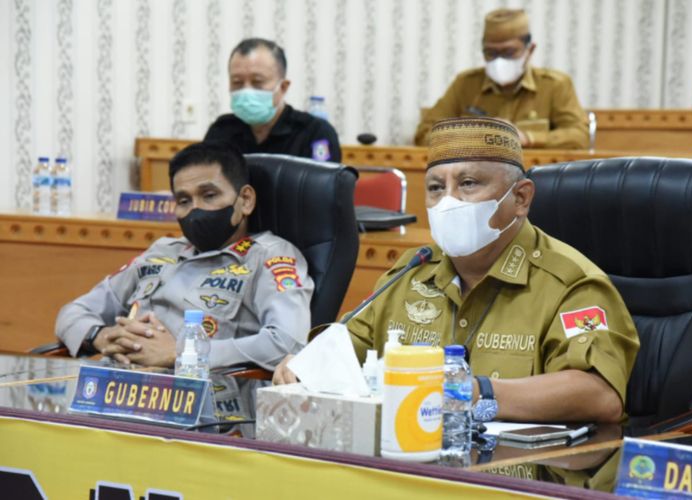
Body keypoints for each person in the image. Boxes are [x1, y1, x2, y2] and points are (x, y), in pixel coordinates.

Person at [275, 117, 639, 424]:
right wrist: (305, 366)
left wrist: (474, 392)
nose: (447, 201)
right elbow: (345, 348)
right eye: (436, 188)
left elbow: (599, 394)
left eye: (468, 184)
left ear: (521, 198)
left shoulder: (570, 282)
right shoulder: (411, 272)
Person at [56, 142, 313, 371]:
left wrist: (182, 353)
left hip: (205, 407)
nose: (195, 210)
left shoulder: (270, 257)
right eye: (183, 200)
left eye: (209, 196)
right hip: (117, 395)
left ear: (245, 200)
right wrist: (100, 336)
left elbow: (287, 343)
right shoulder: (161, 252)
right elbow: (74, 312)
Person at [414, 9, 588, 150]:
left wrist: (527, 138)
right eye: (491, 53)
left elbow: (579, 137)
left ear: (530, 49)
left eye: (509, 52)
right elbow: (425, 134)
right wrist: (476, 137)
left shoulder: (555, 85)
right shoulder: (466, 83)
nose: (499, 60)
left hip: (533, 178)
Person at [205, 38, 342, 163]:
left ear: (283, 87)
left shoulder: (315, 133)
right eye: (237, 82)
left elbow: (326, 188)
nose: (246, 90)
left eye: (257, 82)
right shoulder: (220, 131)